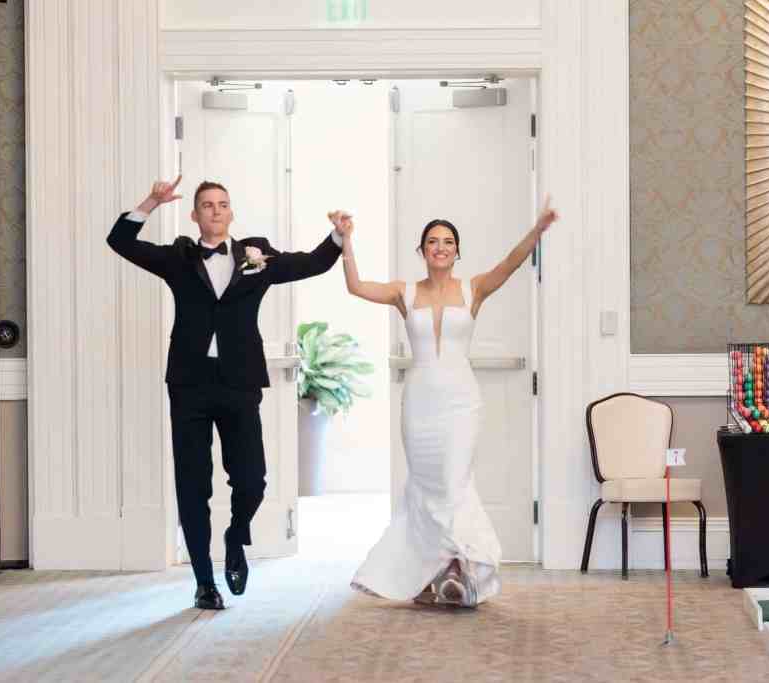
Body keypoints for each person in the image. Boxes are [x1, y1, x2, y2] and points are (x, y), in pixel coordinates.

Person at [107, 176, 346, 609]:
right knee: (193, 484)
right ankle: (203, 582)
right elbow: (120, 241)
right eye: (207, 205)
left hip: (239, 383)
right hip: (190, 385)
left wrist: (337, 236)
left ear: (231, 213)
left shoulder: (257, 256)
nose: (215, 210)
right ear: (195, 215)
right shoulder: (179, 257)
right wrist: (151, 201)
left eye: (222, 204)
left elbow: (313, 262)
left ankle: (236, 538)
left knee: (252, 479)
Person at [331, 198, 558, 607]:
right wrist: (346, 241)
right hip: (419, 402)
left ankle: (457, 565)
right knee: (424, 488)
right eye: (433, 241)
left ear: (457, 251)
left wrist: (538, 230)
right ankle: (427, 571)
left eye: (448, 242)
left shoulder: (474, 288)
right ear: (422, 251)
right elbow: (356, 286)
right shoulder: (405, 292)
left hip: (460, 402)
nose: (440, 247)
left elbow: (510, 262)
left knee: (454, 483)